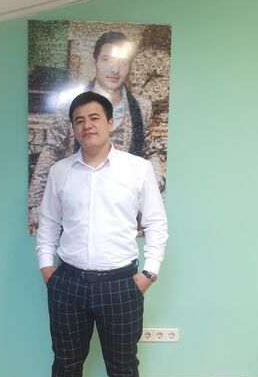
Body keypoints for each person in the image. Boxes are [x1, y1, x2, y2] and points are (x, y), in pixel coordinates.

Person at [36, 91, 168, 377]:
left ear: (110, 122)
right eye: (79, 120)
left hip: (121, 285)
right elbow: (48, 224)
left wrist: (149, 274)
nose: (87, 125)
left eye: (94, 118)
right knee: (66, 363)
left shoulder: (138, 169)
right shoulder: (60, 172)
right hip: (68, 283)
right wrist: (48, 271)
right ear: (73, 127)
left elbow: (156, 223)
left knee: (123, 368)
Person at [29, 31, 165, 233]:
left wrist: (154, 186)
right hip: (80, 203)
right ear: (96, 62)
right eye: (107, 59)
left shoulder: (141, 107)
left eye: (123, 62)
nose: (115, 69)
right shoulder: (70, 104)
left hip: (123, 207)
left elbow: (149, 151)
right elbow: (52, 150)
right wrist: (35, 202)